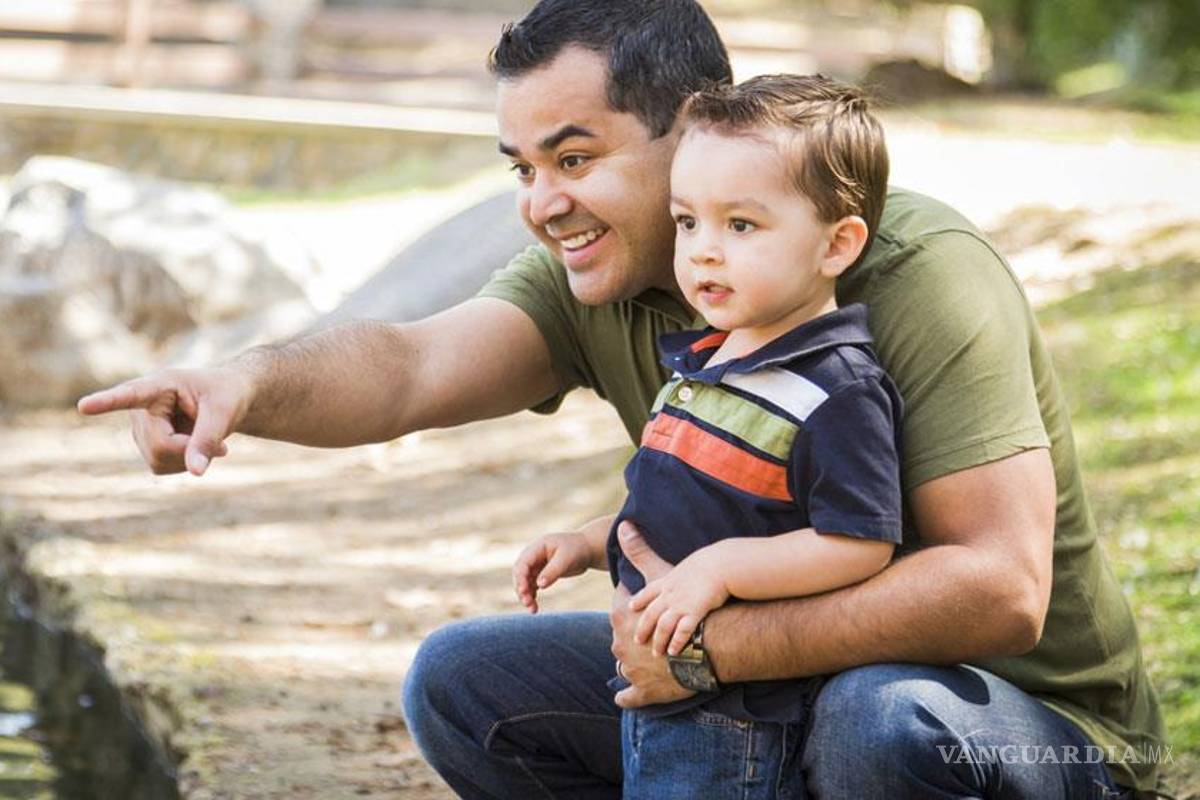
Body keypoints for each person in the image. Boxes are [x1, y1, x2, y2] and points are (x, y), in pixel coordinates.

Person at [76, 1, 1165, 797]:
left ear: (693, 128)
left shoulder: (909, 268)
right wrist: (244, 382)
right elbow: (409, 364)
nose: (543, 204)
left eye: (576, 157)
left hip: (1032, 734)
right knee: (462, 684)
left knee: (872, 722)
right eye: (522, 168)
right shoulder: (596, 276)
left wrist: (709, 648)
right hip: (772, 705)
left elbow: (1002, 587)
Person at [511, 73, 904, 798]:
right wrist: (591, 541)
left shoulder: (834, 388)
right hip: (660, 680)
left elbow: (859, 542)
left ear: (837, 244)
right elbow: (686, 505)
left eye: (741, 226)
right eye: (688, 221)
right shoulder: (709, 359)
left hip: (737, 711)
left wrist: (720, 570)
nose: (702, 251)